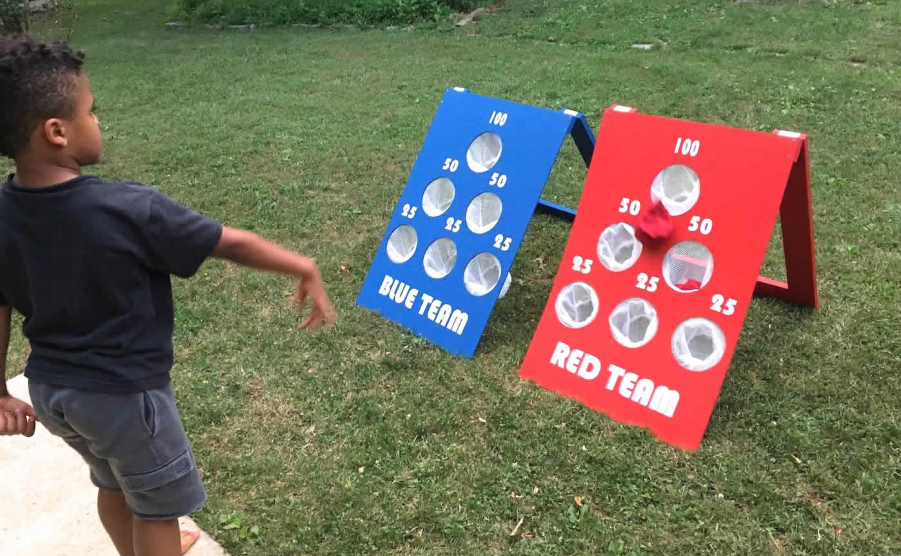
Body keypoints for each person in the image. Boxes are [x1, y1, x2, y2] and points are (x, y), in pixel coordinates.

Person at [0, 34, 337, 556]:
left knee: (113, 482)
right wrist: (302, 263)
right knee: (156, 509)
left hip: (55, 394)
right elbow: (232, 244)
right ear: (57, 132)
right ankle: (155, 543)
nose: (98, 123)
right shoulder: (127, 209)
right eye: (93, 112)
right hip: (124, 399)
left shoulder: (4, 212)